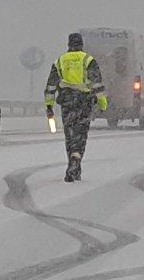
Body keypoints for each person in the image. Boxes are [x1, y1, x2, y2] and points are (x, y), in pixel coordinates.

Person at [44, 33, 108, 182]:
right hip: (84, 102)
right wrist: (102, 102)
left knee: (70, 134)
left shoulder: (59, 61)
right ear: (81, 44)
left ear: (69, 44)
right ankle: (76, 159)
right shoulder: (88, 60)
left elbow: (51, 86)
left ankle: (73, 164)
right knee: (81, 134)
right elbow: (97, 84)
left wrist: (49, 105)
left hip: (67, 102)